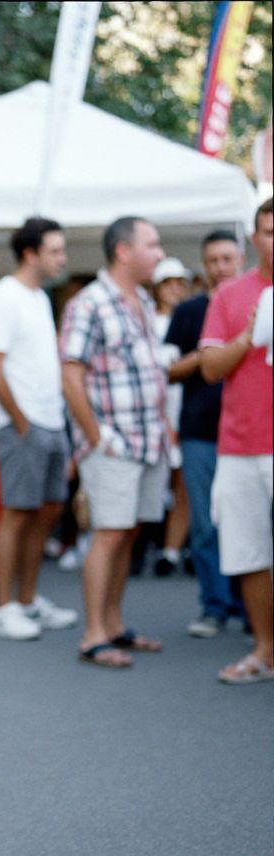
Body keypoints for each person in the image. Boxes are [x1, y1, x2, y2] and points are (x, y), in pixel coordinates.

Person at [60, 216, 167, 669]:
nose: (160, 253)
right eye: (152, 244)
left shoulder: (143, 298)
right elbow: (70, 376)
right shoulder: (89, 303)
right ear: (124, 251)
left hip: (148, 440)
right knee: (109, 534)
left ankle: (114, 624)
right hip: (114, 443)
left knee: (127, 533)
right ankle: (94, 636)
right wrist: (98, 436)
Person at [0, 217, 78, 640]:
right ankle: (2, 609)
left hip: (49, 421)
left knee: (45, 513)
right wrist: (21, 421)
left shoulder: (38, 297)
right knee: (17, 513)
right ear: (30, 253)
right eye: (55, 250)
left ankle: (28, 600)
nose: (62, 258)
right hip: (23, 423)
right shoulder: (4, 296)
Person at [199, 198, 274, 684]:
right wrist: (248, 336)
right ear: (254, 238)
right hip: (242, 445)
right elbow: (209, 368)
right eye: (269, 232)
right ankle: (264, 651)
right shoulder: (230, 294)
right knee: (249, 553)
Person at [163, 231, 244, 636]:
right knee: (205, 525)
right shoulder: (189, 311)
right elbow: (168, 370)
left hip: (246, 433)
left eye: (226, 259)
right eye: (212, 260)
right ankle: (214, 606)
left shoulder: (256, 303)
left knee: (246, 523)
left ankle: (249, 610)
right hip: (199, 431)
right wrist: (209, 355)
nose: (219, 267)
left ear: (240, 258)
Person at [151, 256, 193, 577]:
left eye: (180, 283)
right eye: (168, 283)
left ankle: (172, 550)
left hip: (185, 413)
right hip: (156, 415)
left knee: (183, 486)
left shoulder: (191, 317)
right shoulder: (148, 320)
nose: (175, 289)